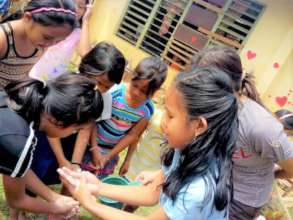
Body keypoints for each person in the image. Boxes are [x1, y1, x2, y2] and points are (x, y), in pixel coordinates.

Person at [58, 67, 239, 220]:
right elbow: (152, 193)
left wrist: (89, 202)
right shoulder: (186, 149)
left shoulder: (198, 191)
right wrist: (97, 186)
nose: (163, 122)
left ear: (199, 125)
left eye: (170, 115)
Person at [190, 46, 293, 220]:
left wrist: (269, 175)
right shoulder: (213, 111)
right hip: (215, 184)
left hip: (242, 201)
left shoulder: (261, 127)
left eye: (203, 87)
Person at [0, 73, 103, 218]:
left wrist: (55, 197)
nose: (74, 133)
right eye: (76, 130)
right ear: (59, 122)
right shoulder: (19, 142)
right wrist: (55, 207)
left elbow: (18, 171)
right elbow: (16, 200)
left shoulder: (22, 97)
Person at [31, 41, 126, 185]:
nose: (100, 90)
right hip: (49, 135)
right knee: (36, 168)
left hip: (69, 140)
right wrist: (61, 159)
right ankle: (20, 202)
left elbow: (86, 129)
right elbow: (52, 126)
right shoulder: (67, 85)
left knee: (52, 174)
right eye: (99, 82)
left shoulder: (103, 99)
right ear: (87, 68)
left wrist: (75, 163)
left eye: (107, 87)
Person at [88, 57, 167, 179]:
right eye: (135, 85)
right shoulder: (114, 93)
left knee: (95, 183)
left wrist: (110, 157)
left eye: (144, 91)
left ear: (154, 92)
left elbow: (133, 135)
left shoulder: (147, 109)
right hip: (90, 145)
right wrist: (94, 149)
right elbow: (93, 121)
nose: (136, 93)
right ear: (131, 76)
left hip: (110, 153)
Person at [0, 0, 77, 90]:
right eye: (47, 37)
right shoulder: (3, 39)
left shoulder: (42, 44)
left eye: (58, 41)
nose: (51, 45)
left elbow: (23, 73)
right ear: (27, 18)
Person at [29, 0, 94, 81]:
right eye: (72, 2)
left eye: (80, 7)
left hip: (51, 82)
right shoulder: (50, 19)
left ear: (85, 11)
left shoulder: (78, 34)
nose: (75, 8)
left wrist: (86, 21)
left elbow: (85, 54)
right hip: (30, 73)